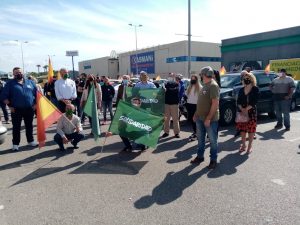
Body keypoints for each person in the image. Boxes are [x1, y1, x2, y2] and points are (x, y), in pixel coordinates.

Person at [0, 67, 38, 151]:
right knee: (16, 127)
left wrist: (35, 104)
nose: (18, 74)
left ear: (23, 72)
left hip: (29, 109)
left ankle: (30, 141)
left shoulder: (30, 82)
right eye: (16, 73)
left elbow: (37, 94)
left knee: (29, 126)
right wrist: (10, 106)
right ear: (13, 74)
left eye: (19, 72)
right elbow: (3, 96)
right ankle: (15, 144)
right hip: (16, 109)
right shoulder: (9, 84)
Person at [190, 66, 220, 169]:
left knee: (212, 141)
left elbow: (215, 103)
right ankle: (200, 156)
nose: (200, 77)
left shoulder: (213, 85)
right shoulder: (205, 85)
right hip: (200, 118)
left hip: (210, 120)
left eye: (201, 75)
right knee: (200, 139)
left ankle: (213, 160)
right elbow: (201, 102)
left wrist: (208, 118)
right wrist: (196, 114)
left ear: (204, 75)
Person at [236, 72, 259, 154]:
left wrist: (246, 109)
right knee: (242, 130)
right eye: (245, 78)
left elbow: (254, 101)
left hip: (251, 112)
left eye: (248, 78)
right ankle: (243, 145)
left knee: (251, 130)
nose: (246, 79)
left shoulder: (255, 89)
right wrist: (241, 108)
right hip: (242, 112)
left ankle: (249, 146)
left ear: (252, 79)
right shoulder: (241, 90)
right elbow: (238, 101)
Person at [161, 73, 180, 138]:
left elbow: (175, 91)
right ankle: (166, 132)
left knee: (175, 119)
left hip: (174, 104)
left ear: (174, 77)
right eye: (169, 76)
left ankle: (176, 133)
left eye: (171, 76)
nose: (170, 77)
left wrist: (168, 90)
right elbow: (163, 91)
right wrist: (166, 89)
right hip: (166, 104)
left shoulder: (177, 84)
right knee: (166, 119)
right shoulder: (165, 84)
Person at [186, 74, 202, 141]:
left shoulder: (200, 87)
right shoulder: (189, 87)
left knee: (196, 120)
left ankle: (199, 133)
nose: (192, 80)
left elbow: (201, 98)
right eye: (191, 79)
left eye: (194, 79)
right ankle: (195, 132)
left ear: (196, 80)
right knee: (192, 120)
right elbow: (186, 94)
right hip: (189, 105)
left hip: (196, 105)